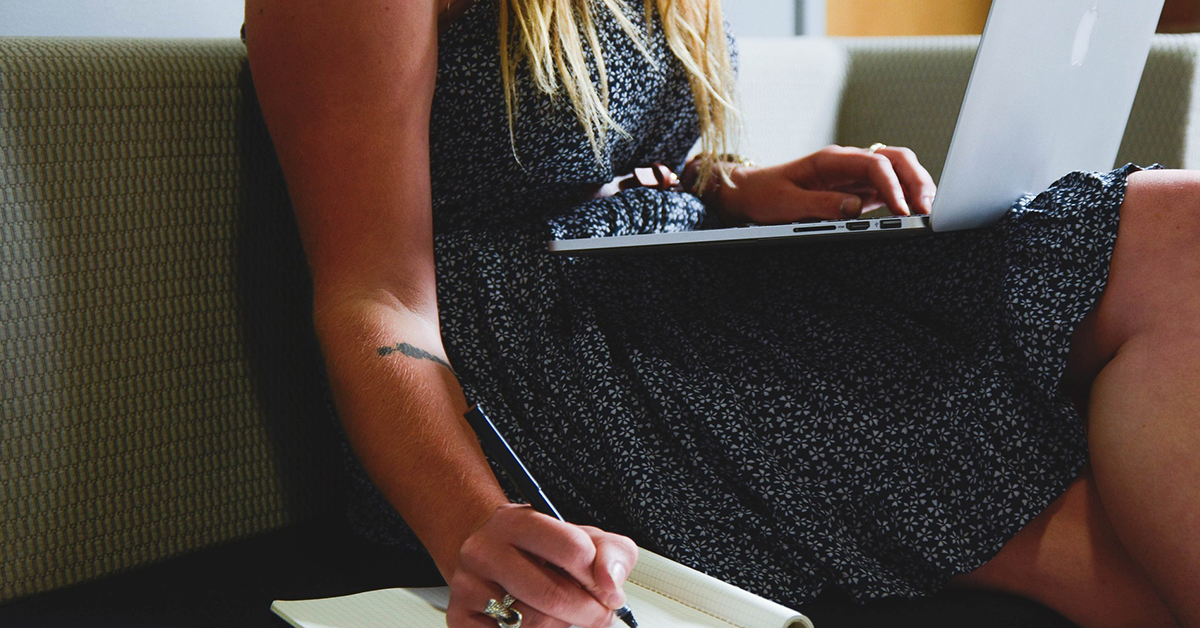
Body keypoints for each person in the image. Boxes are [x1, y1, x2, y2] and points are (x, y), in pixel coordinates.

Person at [242, 0, 1200, 626]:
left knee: (1176, 235)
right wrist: (474, 525)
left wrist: (731, 188)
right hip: (534, 376)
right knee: (1088, 494)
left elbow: (581, 151)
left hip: (656, 290)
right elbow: (376, 294)